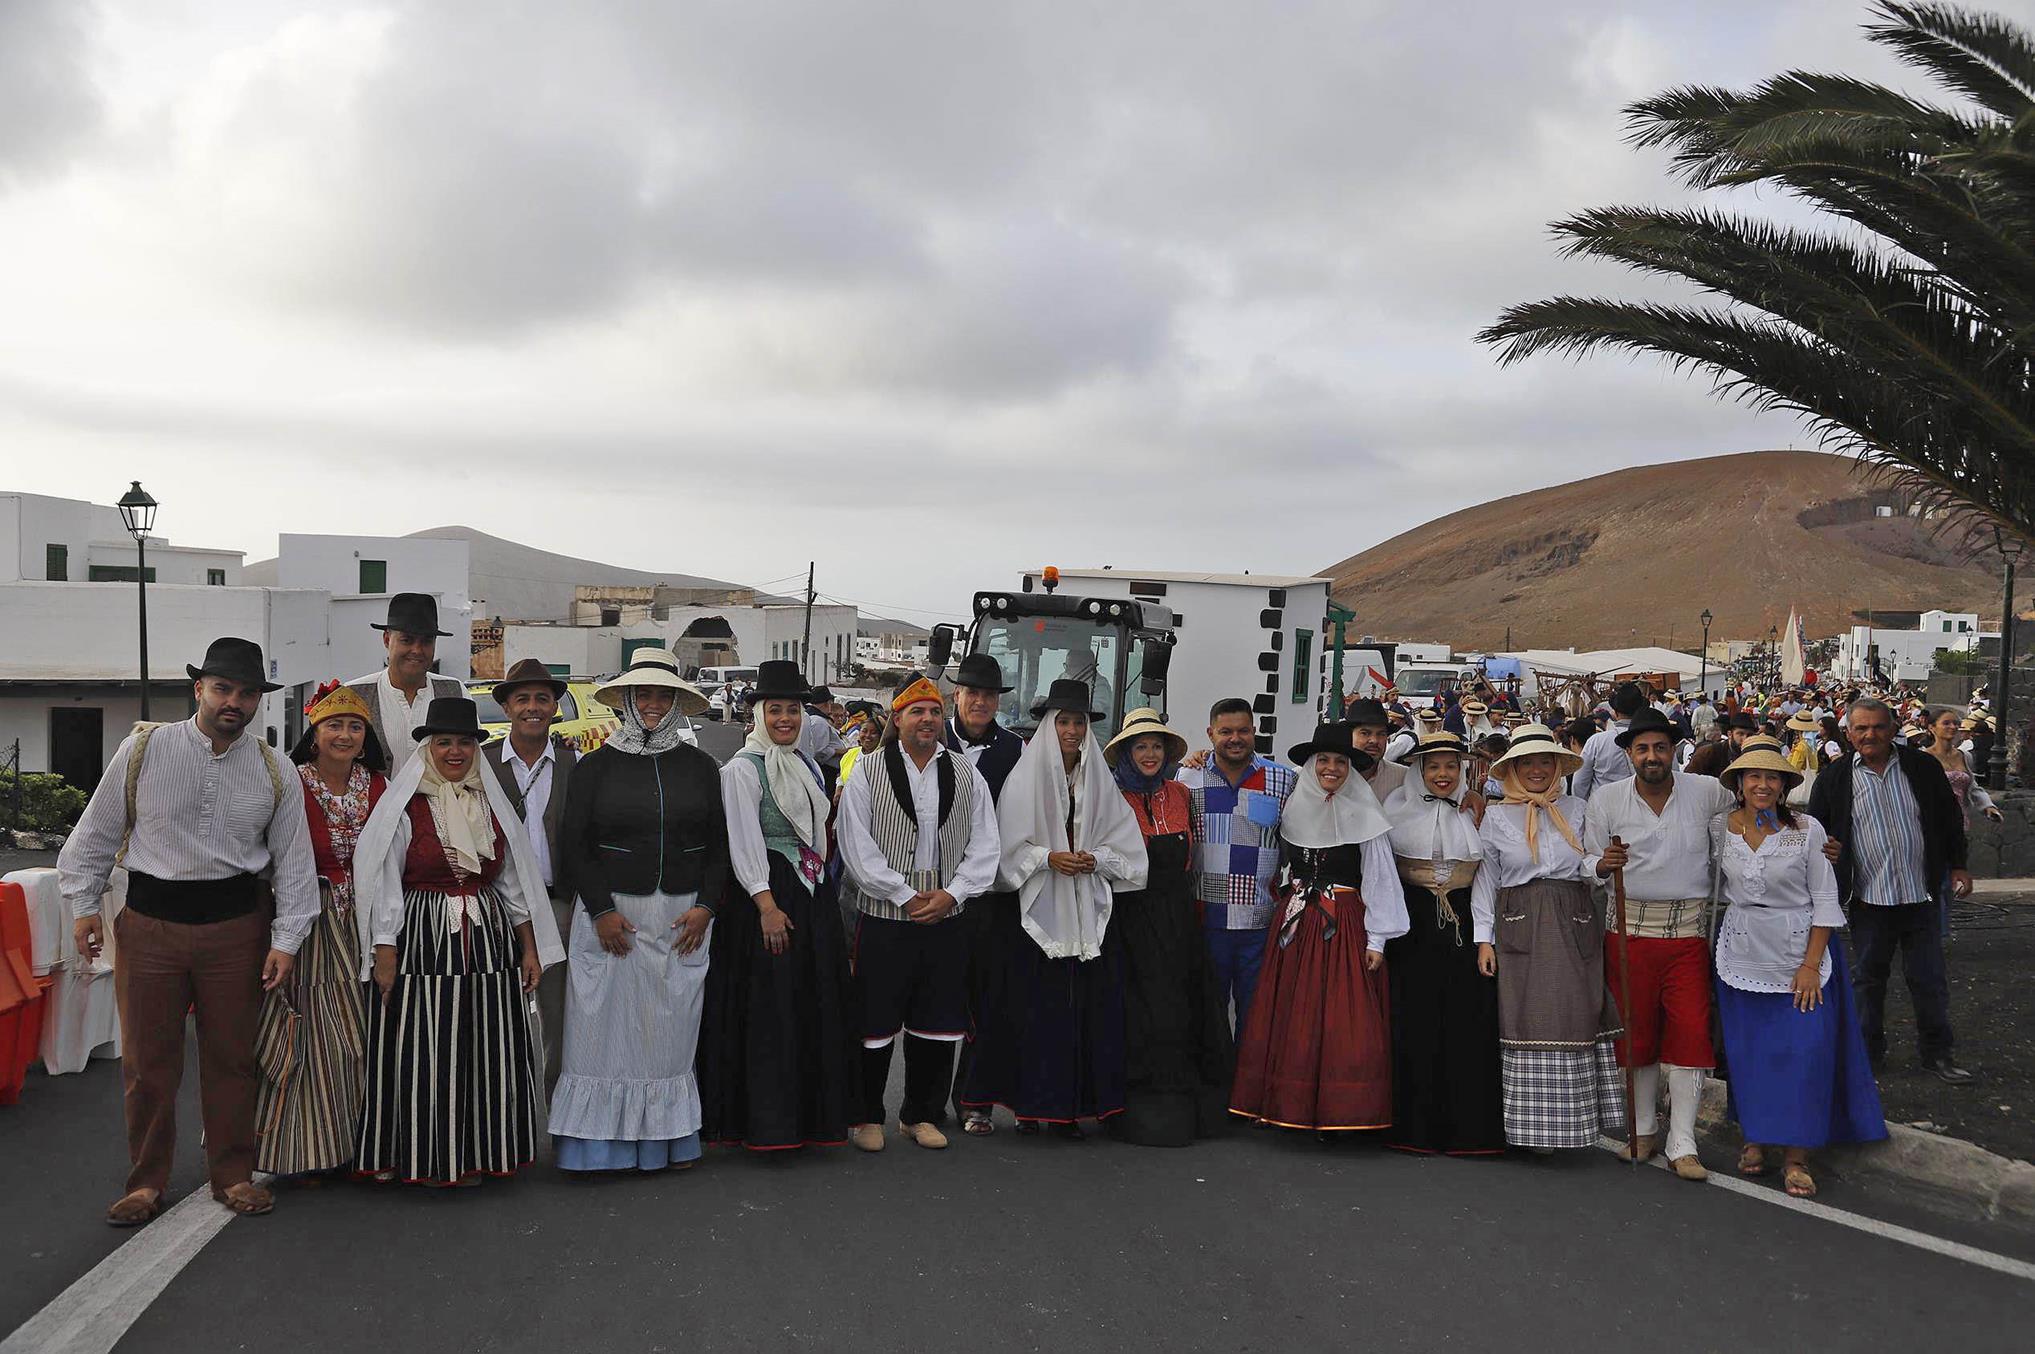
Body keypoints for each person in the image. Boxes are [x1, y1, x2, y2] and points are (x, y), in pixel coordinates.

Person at [59, 637, 319, 1224]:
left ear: (258, 701)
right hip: (151, 927)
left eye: (246, 693)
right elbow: (97, 831)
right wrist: (83, 906)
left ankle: (233, 1175)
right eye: (222, 688)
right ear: (198, 689)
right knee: (147, 1063)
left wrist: (286, 941)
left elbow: (294, 862)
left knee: (232, 1059)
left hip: (236, 931)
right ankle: (145, 1183)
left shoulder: (275, 768)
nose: (234, 702)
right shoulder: (143, 750)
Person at [353, 697, 564, 1185]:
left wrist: (529, 947)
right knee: (426, 1045)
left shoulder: (489, 803)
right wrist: (384, 949)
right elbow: (385, 880)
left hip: (487, 937)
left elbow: (512, 882)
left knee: (486, 1044)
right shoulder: (406, 807)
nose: (455, 752)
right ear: (427, 748)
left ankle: (480, 1152)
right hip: (423, 935)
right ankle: (428, 1156)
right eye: (444, 742)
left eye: (465, 743)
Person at [551, 649, 728, 1172]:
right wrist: (601, 910)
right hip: (611, 918)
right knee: (599, 1034)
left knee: (668, 1037)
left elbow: (719, 846)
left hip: (681, 918)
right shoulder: (595, 766)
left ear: (677, 701)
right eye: (643, 694)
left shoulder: (700, 767)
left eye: (663, 695)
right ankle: (596, 1147)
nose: (653, 704)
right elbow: (575, 844)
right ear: (626, 700)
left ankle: (663, 1141)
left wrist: (707, 907)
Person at [964, 679, 1147, 1136]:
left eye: (1078, 723)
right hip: (1035, 912)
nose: (1072, 731)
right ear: (1050, 726)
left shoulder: (1100, 782)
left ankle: (1069, 1109)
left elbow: (1125, 844)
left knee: (1082, 1013)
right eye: (1063, 722)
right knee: (1031, 1011)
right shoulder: (1023, 780)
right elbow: (1007, 847)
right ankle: (1029, 1107)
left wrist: (1096, 859)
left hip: (1085, 911)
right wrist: (1048, 858)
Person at [1715, 736, 1886, 1197]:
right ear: (1738, 783)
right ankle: (1754, 1136)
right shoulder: (1719, 828)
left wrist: (1811, 965)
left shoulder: (1807, 830)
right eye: (1754, 776)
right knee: (1750, 1054)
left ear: (1785, 784)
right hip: (1743, 951)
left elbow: (1825, 898)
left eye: (1772, 777)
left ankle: (1796, 1156)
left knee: (1804, 1054)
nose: (1763, 785)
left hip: (1799, 952)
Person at [837, 675, 1000, 1151]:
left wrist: (953, 894)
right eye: (916, 712)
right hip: (885, 916)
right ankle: (868, 1117)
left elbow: (985, 843)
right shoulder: (867, 770)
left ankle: (920, 1115)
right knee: (875, 1023)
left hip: (946, 915)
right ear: (898, 719)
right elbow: (856, 844)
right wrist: (904, 895)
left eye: (933, 711)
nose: (927, 719)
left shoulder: (966, 772)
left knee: (937, 1020)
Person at [701, 660, 855, 1151]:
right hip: (765, 898)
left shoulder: (804, 763)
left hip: (809, 893)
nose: (785, 719)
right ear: (758, 715)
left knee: (809, 1002)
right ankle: (767, 1123)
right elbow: (743, 841)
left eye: (793, 710)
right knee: (770, 1009)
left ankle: (810, 1119)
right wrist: (766, 904)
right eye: (775, 710)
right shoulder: (742, 769)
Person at [1230, 722, 1408, 1133]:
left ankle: (1338, 1111)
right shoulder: (1293, 809)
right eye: (1323, 760)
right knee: (1291, 1015)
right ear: (1310, 766)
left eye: (1340, 761)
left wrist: (1377, 940)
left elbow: (1380, 879)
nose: (1331, 768)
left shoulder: (1366, 817)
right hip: (1296, 922)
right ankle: (1283, 1104)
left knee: (1342, 1019)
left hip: (1343, 924)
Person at [1580, 708, 1734, 1181]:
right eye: (1642, 748)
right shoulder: (1606, 799)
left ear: (1674, 751)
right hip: (1627, 933)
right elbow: (1586, 862)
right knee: (1636, 1034)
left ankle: (1683, 1143)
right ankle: (1643, 1129)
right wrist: (1602, 864)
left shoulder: (1707, 792)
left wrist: (1800, 831)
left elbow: (1749, 809)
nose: (1652, 757)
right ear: (1629, 754)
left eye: (1661, 748)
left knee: (1690, 1034)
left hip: (1687, 935)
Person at [1471, 723, 1626, 1152]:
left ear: (1558, 766)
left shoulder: (1577, 808)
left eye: (1545, 762)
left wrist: (1602, 865)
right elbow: (1487, 881)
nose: (1537, 770)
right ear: (1512, 769)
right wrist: (1484, 939)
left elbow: (1586, 864)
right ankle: (1525, 1128)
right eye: (1527, 763)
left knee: (1574, 1013)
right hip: (1518, 920)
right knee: (1522, 1014)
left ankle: (1569, 1125)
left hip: (1572, 919)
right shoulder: (1496, 816)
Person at [256, 679, 389, 1178]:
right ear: (314, 733)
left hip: (365, 920)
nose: (345, 735)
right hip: (308, 922)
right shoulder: (290, 781)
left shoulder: (379, 786)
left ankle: (357, 1147)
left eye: (355, 726)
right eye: (334, 725)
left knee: (360, 1035)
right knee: (310, 1036)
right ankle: (303, 1153)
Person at [1807, 696, 1974, 1083]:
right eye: (1861, 728)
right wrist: (1830, 852)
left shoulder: (1922, 767)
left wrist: (1959, 865)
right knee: (1868, 980)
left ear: (1893, 729)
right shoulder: (1834, 779)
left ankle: (1937, 1054)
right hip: (1869, 899)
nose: (1870, 735)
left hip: (1921, 895)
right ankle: (1868, 1056)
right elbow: (1816, 831)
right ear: (1849, 733)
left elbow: (1949, 819)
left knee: (1929, 979)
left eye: (1878, 727)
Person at [1101, 708, 1233, 1146]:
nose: (1150, 754)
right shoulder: (1110, 797)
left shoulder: (1181, 793)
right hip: (1130, 919)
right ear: (1127, 753)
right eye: (1141, 746)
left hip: (1178, 919)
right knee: (1141, 1012)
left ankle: (1192, 1111)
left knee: (1183, 1009)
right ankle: (1138, 1113)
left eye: (1156, 746)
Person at [1380, 731, 1503, 1155]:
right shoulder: (1393, 809)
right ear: (1419, 770)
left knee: (1466, 1025)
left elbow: (1486, 880)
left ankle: (1467, 1131)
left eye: (1451, 766)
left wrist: (1485, 939)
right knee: (1413, 1021)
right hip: (1410, 924)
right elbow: (1382, 876)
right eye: (1433, 766)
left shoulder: (1477, 813)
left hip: (1463, 925)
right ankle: (1411, 1128)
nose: (1443, 774)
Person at [480, 658, 579, 1098]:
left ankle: (557, 1109)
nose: (533, 708)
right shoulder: (482, 763)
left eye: (542, 699)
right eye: (522, 699)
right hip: (497, 910)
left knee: (558, 1016)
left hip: (559, 907)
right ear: (507, 708)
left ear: (555, 706)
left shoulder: (574, 763)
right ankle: (502, 1110)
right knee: (497, 1012)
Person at [941, 652, 1027, 1135]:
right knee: (934, 998)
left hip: (992, 896)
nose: (980, 701)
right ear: (957, 695)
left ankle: (973, 1100)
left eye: (989, 695)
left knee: (986, 999)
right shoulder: (931, 737)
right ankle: (923, 1103)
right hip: (934, 890)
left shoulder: (1016, 750)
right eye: (972, 692)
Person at [1179, 697, 1296, 1034]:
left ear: (1254, 731)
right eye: (1225, 731)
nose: (1235, 738)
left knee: (1256, 1018)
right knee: (1207, 1018)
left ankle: (1248, 1069)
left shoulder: (1282, 779)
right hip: (1205, 920)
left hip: (1259, 922)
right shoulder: (1188, 777)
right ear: (1210, 733)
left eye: (1243, 730)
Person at [344, 592, 465, 778]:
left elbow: (471, 759)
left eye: (426, 641)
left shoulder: (455, 692)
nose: (417, 650)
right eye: (407, 640)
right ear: (387, 639)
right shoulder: (354, 694)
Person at [1924, 708, 2004, 829]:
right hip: (1933, 821)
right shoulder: (1923, 757)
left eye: (1956, 723)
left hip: (1959, 820)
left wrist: (1988, 806)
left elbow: (1973, 787)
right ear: (1932, 727)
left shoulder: (1965, 756)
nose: (1953, 727)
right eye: (1946, 723)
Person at [1571, 682, 1646, 800]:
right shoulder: (1653, 740)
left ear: (1615, 713)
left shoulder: (1597, 741)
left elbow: (1579, 783)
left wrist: (1585, 806)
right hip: (1642, 805)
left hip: (1603, 805)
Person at [1347, 698, 1409, 802]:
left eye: (1381, 734)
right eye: (1365, 733)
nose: (1374, 740)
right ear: (1349, 735)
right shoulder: (1334, 775)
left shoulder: (1402, 777)